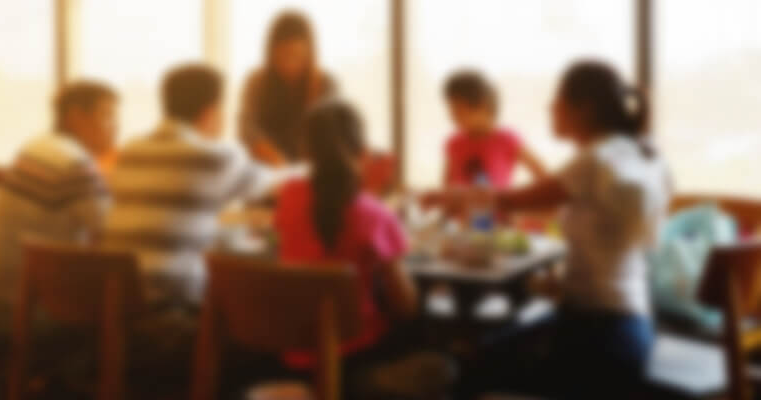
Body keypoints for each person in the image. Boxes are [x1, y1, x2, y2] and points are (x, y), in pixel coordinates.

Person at [428, 60, 671, 399]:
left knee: (469, 367)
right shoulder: (643, 153)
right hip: (630, 327)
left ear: (583, 108)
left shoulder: (594, 160)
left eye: (557, 98)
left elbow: (507, 201)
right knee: (489, 348)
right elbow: (577, 220)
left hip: (600, 335)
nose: (549, 106)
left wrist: (442, 196)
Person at [275, 100, 445, 397]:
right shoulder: (375, 214)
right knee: (438, 353)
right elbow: (405, 306)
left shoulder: (288, 196)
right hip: (356, 354)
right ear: (362, 150)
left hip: (294, 355)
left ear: (305, 151)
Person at [104, 64, 287, 308]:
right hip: (176, 304)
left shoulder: (130, 152)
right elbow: (282, 183)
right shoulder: (214, 156)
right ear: (209, 112)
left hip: (120, 302)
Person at [0, 81, 117, 334]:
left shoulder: (36, 148)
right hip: (21, 314)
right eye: (107, 116)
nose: (116, 127)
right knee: (125, 316)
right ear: (76, 118)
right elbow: (113, 232)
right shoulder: (75, 162)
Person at [239, 11, 337, 165]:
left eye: (296, 56)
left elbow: (334, 135)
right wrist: (271, 156)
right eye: (282, 56)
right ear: (271, 53)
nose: (289, 64)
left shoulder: (325, 83)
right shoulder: (257, 82)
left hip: (312, 171)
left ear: (309, 54)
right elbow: (247, 129)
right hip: (265, 170)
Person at [443, 70, 547, 189]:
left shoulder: (507, 139)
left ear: (483, 106)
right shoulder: (454, 143)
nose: (452, 115)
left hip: (498, 207)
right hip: (462, 207)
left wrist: (523, 203)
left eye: (459, 110)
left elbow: (543, 176)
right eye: (451, 108)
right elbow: (447, 186)